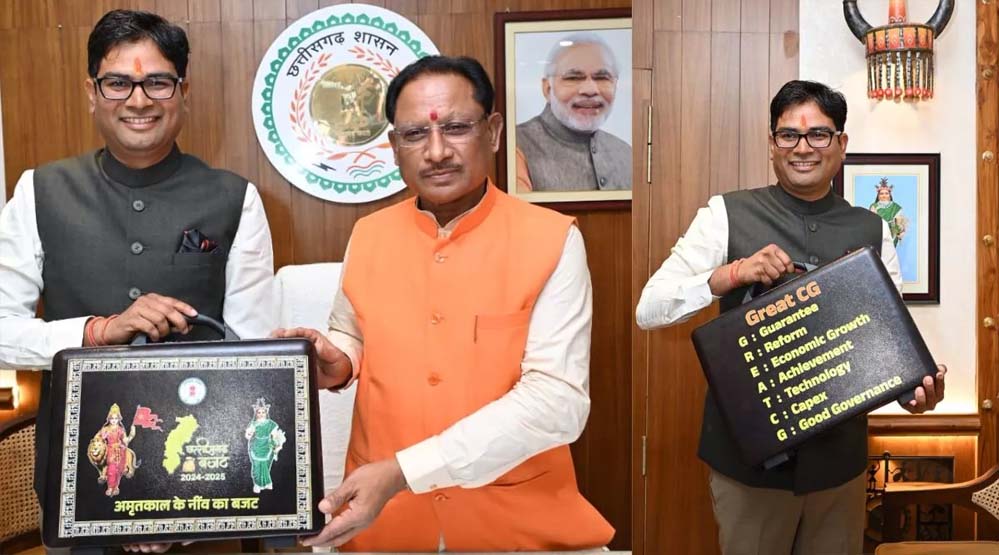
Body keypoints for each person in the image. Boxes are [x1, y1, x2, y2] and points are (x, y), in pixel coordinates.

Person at [273, 55, 614, 552]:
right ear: (395, 147)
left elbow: (556, 403)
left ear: (493, 132)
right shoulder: (368, 234)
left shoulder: (552, 239)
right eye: (415, 134)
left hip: (514, 524)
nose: (436, 152)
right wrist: (339, 361)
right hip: (384, 524)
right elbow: (352, 330)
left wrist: (404, 470)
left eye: (455, 128)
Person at [0, 9, 275, 553]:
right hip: (77, 481)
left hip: (203, 484)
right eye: (118, 82)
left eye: (158, 82)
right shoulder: (39, 191)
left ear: (183, 91)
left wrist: (171, 497)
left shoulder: (236, 198)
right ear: (92, 92)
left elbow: (254, 354)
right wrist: (96, 332)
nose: (139, 100)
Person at [635, 80, 946, 555]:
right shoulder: (725, 213)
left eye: (818, 134)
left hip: (840, 471)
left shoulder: (872, 228)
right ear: (771, 143)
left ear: (841, 143)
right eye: (788, 135)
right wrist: (732, 273)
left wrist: (915, 393)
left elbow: (886, 342)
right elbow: (649, 308)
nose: (803, 148)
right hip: (748, 471)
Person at [515, 32, 631, 192]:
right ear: (547, 89)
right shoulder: (516, 145)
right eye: (573, 78)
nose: (590, 90)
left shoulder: (625, 153)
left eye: (602, 78)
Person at [90, 403, 137, 497]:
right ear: (109, 419)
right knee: (111, 468)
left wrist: (132, 434)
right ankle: (110, 487)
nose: (114, 420)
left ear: (118, 419)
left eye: (116, 418)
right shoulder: (105, 429)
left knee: (119, 469)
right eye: (112, 418)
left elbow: (125, 441)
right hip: (109, 450)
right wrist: (100, 441)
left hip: (120, 450)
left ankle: (116, 487)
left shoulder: (120, 430)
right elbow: (97, 439)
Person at [245, 397, 286, 494]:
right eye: (259, 412)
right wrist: (249, 433)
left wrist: (277, 445)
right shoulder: (253, 424)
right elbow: (248, 436)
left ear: (266, 413)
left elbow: (275, 436)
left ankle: (267, 483)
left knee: (266, 466)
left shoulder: (271, 424)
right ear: (256, 413)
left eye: (263, 412)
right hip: (255, 447)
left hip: (267, 447)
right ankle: (257, 484)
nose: (261, 414)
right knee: (256, 466)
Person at [870, 177, 908, 246]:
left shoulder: (896, 207)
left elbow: (899, 223)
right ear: (878, 195)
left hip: (892, 233)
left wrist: (900, 232)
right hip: (879, 233)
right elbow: (871, 222)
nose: (884, 196)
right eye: (881, 193)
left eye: (886, 193)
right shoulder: (873, 206)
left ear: (889, 195)